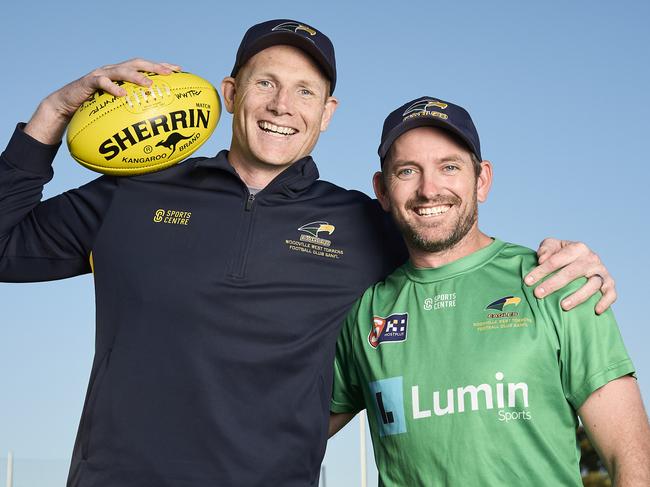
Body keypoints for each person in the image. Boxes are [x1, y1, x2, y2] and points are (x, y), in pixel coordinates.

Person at [0, 19, 616, 487]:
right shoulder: (134, 193)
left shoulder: (362, 223)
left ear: (327, 114)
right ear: (232, 91)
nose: (281, 105)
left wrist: (562, 258)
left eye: (304, 91)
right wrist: (50, 115)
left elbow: (448, 237)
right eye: (266, 83)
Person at [328, 96, 650, 486]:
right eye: (408, 171)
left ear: (482, 180)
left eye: (449, 167)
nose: (429, 190)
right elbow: (289, 431)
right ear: (381, 189)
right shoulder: (366, 312)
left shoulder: (558, 282)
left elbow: (630, 456)